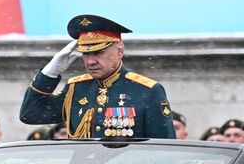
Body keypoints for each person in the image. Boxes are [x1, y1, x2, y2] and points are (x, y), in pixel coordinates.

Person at [20, 14, 174, 139]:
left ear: (120, 51)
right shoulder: (76, 88)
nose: (90, 61)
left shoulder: (147, 91)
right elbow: (30, 114)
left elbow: (163, 150)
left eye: (98, 52)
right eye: (86, 54)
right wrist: (50, 73)